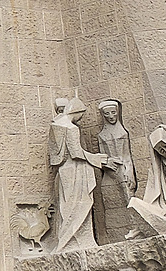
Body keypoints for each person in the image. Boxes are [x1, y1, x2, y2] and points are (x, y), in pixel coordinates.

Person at [48, 97, 108, 251]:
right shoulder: (71, 127)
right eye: (81, 115)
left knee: (67, 207)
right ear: (77, 112)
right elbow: (76, 153)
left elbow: (55, 156)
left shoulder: (56, 125)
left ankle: (66, 241)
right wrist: (96, 158)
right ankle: (77, 241)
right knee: (79, 205)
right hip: (76, 169)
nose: (80, 119)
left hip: (63, 170)